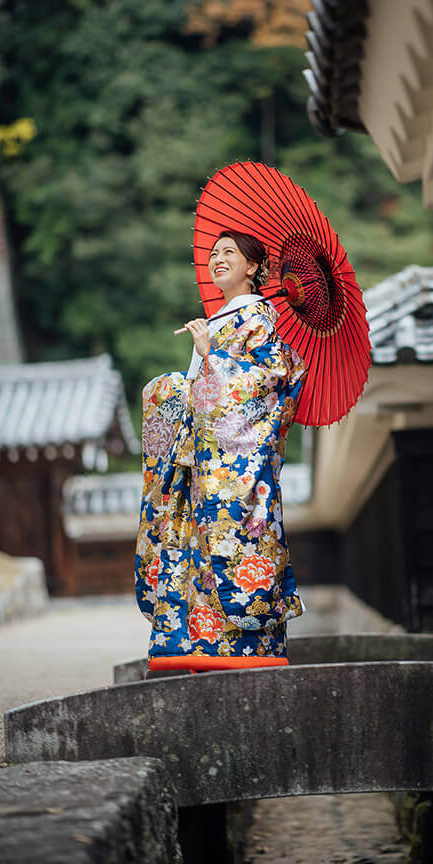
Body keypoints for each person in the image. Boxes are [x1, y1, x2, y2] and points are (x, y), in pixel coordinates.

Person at [134, 229, 307, 674]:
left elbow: (264, 384)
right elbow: (195, 395)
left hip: (232, 468)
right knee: (193, 547)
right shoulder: (217, 319)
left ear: (253, 267)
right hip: (199, 464)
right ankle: (196, 645)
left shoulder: (259, 319)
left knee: (233, 540)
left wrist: (212, 358)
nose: (217, 259)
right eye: (213, 253)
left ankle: (241, 649)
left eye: (229, 253)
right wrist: (173, 389)